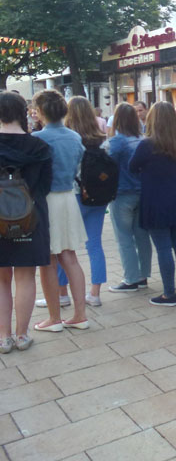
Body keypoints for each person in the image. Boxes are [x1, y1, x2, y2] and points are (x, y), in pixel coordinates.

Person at [31, 90, 89, 332]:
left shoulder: (37, 138)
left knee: (48, 261)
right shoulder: (74, 137)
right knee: (70, 257)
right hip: (68, 198)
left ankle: (54, 318)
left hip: (46, 201)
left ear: (40, 111)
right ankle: (80, 315)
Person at [0, 91, 52, 352]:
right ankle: (22, 335)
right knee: (25, 276)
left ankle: (3, 337)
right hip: (30, 218)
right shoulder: (39, 146)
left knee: (1, 279)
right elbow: (45, 186)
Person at [130, 102, 176, 306]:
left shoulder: (147, 144)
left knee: (163, 247)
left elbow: (133, 166)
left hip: (156, 199)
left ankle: (168, 294)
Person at [65, 96, 108, 307]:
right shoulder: (101, 139)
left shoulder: (70, 138)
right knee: (95, 244)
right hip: (99, 196)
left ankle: (62, 293)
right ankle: (95, 293)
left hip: (75, 194)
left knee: (65, 246)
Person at [106, 103, 151, 293]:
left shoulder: (117, 141)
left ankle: (131, 279)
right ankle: (143, 276)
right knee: (142, 236)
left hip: (122, 192)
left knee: (124, 237)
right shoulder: (142, 139)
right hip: (143, 192)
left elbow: (108, 165)